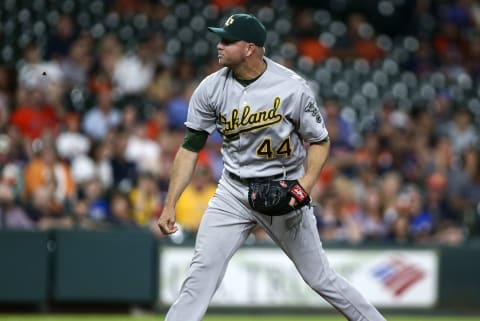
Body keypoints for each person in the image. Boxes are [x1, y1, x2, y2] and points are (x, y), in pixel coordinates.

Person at [157, 13, 386, 321]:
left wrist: (304, 184)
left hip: (283, 190)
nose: (219, 46)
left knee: (320, 278)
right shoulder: (210, 89)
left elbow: (319, 141)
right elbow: (190, 148)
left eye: (227, 40)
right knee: (200, 275)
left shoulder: (292, 87)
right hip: (233, 191)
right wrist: (170, 202)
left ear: (250, 48)